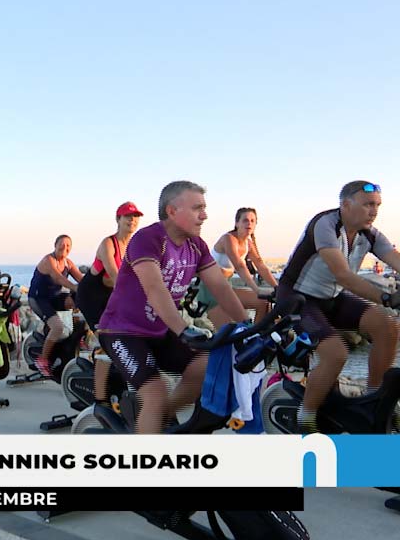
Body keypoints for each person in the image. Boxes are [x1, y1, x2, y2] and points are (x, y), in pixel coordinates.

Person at [97, 181, 247, 433]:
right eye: (197, 208)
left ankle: (159, 417)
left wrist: (247, 326)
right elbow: (155, 290)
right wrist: (183, 329)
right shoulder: (148, 239)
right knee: (155, 394)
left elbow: (221, 287)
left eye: (205, 208)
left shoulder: (196, 245)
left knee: (208, 363)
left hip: (159, 331)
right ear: (172, 211)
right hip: (122, 332)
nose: (205, 215)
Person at [277, 181, 400, 433]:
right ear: (345, 204)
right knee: (336, 353)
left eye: (377, 205)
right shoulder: (326, 224)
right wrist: (386, 298)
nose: (373, 211)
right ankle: (306, 417)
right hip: (297, 297)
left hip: (331, 297)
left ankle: (375, 400)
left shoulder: (370, 233)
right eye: (367, 204)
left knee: (387, 327)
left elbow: (394, 258)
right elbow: (343, 275)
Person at [200, 208, 280, 329]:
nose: (249, 224)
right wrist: (257, 290)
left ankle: (256, 336)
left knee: (263, 303)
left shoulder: (248, 242)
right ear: (237, 223)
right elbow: (239, 265)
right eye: (245, 220)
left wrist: (278, 288)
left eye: (253, 221)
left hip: (227, 287)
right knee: (231, 334)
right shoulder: (229, 239)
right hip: (211, 289)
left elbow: (260, 265)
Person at [78, 202, 143, 332]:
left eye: (135, 216)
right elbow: (116, 276)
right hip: (90, 296)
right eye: (128, 216)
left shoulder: (133, 246)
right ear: (118, 219)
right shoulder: (108, 244)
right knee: (107, 335)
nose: (132, 219)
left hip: (109, 295)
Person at [27, 235, 85, 377]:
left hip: (54, 298)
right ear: (55, 244)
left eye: (68, 246)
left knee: (77, 301)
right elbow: (59, 278)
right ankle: (43, 360)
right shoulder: (48, 261)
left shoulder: (68, 263)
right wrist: (75, 287)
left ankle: (76, 339)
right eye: (62, 244)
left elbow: (81, 279)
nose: (65, 248)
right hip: (39, 299)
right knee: (58, 327)